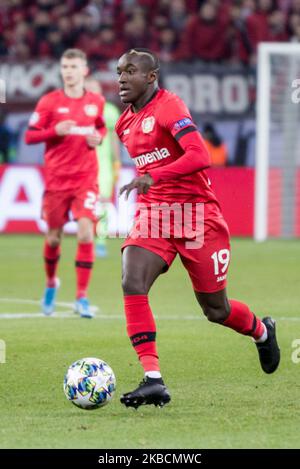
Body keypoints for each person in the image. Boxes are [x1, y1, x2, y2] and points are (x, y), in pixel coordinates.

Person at [116, 48, 280, 409]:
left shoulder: (170, 107)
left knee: (215, 310)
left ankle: (262, 331)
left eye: (130, 71)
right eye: (118, 73)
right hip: (157, 214)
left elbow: (199, 156)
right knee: (132, 280)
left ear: (151, 77)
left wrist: (154, 175)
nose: (122, 79)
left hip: (197, 216)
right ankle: (153, 379)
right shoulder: (123, 124)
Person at [25, 49, 106, 318]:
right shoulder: (49, 102)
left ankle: (81, 296)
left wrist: (99, 137)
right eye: (64, 66)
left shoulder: (96, 101)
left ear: (84, 70)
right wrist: (54, 131)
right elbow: (30, 136)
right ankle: (51, 283)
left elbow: (101, 127)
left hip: (86, 180)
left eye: (73, 66)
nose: (68, 71)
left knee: (85, 233)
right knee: (53, 237)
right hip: (57, 180)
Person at [84, 77, 122, 258]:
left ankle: (100, 241)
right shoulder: (80, 111)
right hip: (83, 164)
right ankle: (87, 238)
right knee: (86, 204)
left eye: (94, 88)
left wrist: (117, 162)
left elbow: (114, 140)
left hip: (104, 165)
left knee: (103, 203)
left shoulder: (110, 111)